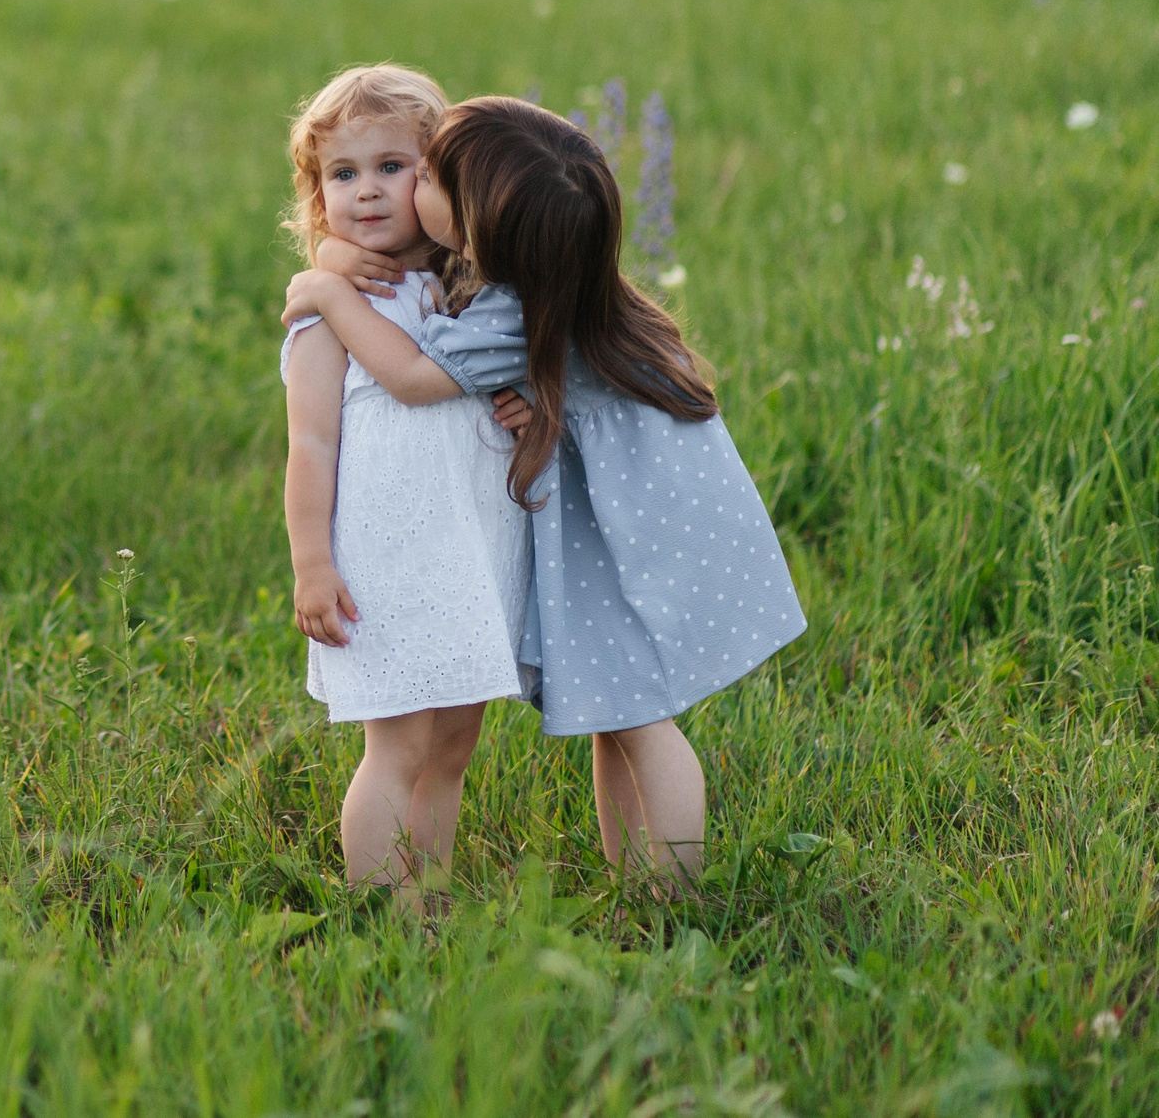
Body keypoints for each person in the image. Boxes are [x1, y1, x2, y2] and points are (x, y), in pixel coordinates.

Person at [284, 96, 807, 881]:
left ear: (477, 223)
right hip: (587, 516)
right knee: (612, 714)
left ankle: (671, 898)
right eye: (354, 174)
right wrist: (333, 266)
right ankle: (624, 896)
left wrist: (327, 286)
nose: (384, 190)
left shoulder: (494, 300)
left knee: (632, 717)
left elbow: (417, 376)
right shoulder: (520, 272)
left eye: (416, 171)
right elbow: (325, 426)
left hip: (609, 523)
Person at [277, 65, 532, 898]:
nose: (368, 191)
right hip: (389, 559)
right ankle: (382, 913)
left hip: (467, 551)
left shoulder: (468, 288)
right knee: (399, 746)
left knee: (455, 740)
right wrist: (311, 562)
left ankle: (431, 895)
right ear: (319, 195)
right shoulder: (329, 312)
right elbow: (310, 446)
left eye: (394, 167)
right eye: (342, 174)